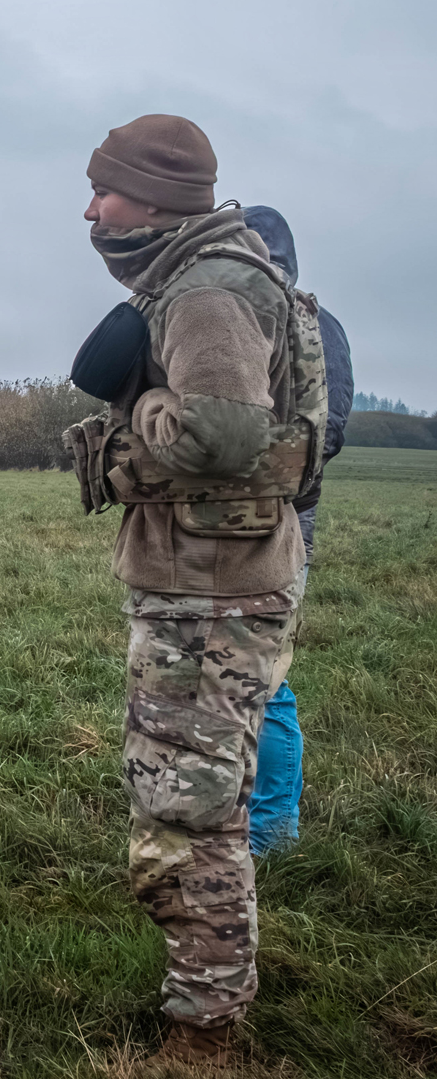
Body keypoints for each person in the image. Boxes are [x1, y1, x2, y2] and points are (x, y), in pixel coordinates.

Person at [74, 115, 326, 1070]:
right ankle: (205, 999)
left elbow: (218, 435)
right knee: (196, 798)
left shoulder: (208, 289)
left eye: (103, 190)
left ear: (151, 196)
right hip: (211, 578)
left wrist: (132, 404)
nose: (91, 208)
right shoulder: (206, 274)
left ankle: (204, 1028)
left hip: (211, 593)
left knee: (189, 812)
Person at [239, 205, 354, 857]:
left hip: (281, 523)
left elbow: (324, 433)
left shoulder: (312, 322)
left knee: (265, 677)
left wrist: (256, 482)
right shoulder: (232, 320)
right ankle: (229, 814)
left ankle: (272, 834)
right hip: (218, 531)